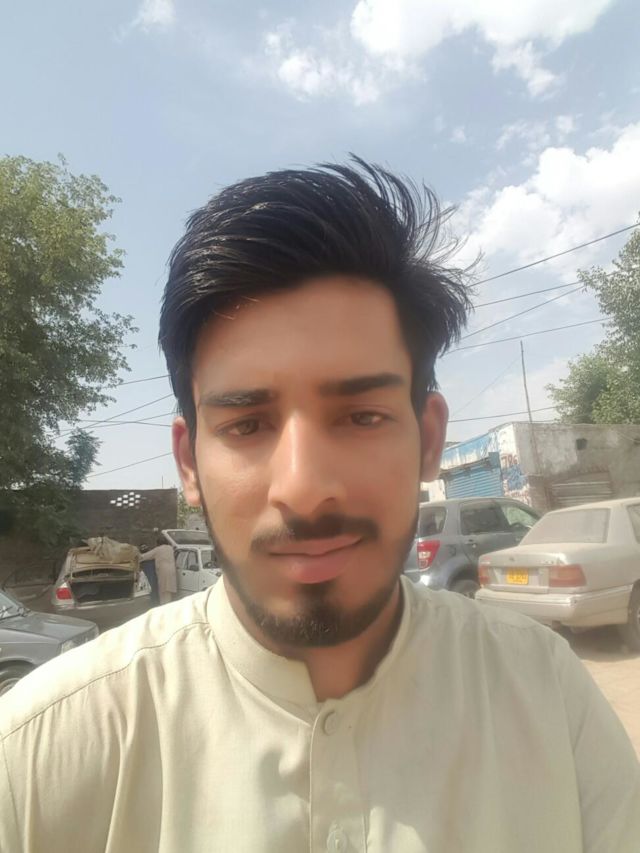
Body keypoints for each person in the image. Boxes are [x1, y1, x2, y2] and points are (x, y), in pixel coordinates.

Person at [1, 158, 638, 853]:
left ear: (429, 440)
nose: (303, 489)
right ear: (188, 463)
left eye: (362, 417)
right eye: (247, 424)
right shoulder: (41, 753)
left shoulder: (545, 692)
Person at [142, 535, 177, 605]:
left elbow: (145, 556)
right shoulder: (170, 548)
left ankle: (163, 605)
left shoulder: (158, 549)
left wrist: (135, 557)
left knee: (163, 589)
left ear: (158, 543)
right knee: (169, 589)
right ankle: (168, 604)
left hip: (163, 571)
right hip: (172, 570)